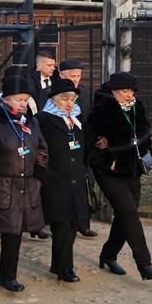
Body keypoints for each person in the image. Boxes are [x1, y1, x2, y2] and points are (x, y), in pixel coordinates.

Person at [86, 72, 152, 281]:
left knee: (125, 215)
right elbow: (90, 135)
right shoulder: (103, 109)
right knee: (129, 214)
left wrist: (149, 155)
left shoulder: (138, 106)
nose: (128, 95)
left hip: (133, 168)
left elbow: (145, 133)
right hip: (109, 170)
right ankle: (145, 264)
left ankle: (108, 255)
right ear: (113, 91)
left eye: (130, 91)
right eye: (123, 91)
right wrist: (98, 144)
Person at [0, 75, 49, 292]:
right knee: (10, 230)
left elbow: (42, 147)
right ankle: (6, 276)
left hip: (26, 184)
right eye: (19, 99)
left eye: (26, 99)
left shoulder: (31, 120)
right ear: (6, 99)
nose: (23, 103)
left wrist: (38, 167)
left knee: (16, 232)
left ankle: (8, 276)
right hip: (0, 183)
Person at [35, 78, 89, 283]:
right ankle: (66, 268)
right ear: (55, 99)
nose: (69, 103)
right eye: (65, 98)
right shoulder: (43, 118)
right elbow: (39, 146)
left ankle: (58, 264)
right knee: (62, 223)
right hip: (55, 179)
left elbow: (85, 145)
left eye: (72, 99)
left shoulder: (77, 118)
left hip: (76, 176)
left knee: (74, 221)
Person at [57, 59, 98, 239]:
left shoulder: (84, 92)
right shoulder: (51, 93)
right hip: (61, 144)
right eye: (72, 76)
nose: (76, 79)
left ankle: (83, 222)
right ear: (61, 74)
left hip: (81, 142)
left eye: (78, 76)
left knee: (84, 183)